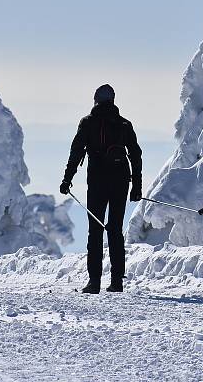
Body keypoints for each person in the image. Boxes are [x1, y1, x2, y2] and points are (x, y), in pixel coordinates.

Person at [60, 84, 142, 294]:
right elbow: (135, 154)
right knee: (115, 229)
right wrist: (136, 186)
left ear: (95, 100)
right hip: (121, 181)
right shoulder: (124, 124)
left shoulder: (88, 123)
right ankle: (117, 281)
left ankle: (94, 281)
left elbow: (76, 152)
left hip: (97, 182)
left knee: (95, 231)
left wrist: (67, 179)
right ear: (113, 101)